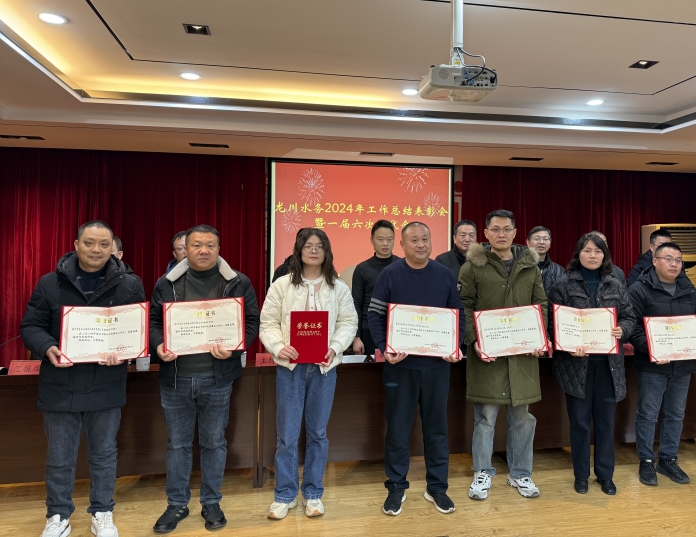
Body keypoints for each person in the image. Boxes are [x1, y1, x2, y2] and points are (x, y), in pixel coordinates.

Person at [21, 220, 146, 537]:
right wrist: (47, 346)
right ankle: (58, 515)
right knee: (59, 457)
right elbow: (31, 326)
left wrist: (125, 352)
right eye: (89, 243)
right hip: (60, 383)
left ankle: (102, 512)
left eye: (104, 244)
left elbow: (137, 330)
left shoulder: (129, 285)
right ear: (76, 245)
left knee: (104, 455)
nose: (96, 250)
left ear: (112, 248)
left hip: (106, 382)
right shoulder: (50, 282)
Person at [149, 224, 260, 533]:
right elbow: (154, 321)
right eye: (197, 245)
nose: (203, 251)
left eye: (210, 245)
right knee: (177, 445)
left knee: (214, 442)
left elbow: (252, 321)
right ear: (185, 249)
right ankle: (176, 504)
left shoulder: (237, 282)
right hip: (176, 378)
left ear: (219, 249)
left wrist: (236, 347)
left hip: (218, 378)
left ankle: (211, 502)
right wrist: (159, 345)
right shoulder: (167, 283)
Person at [259, 228, 357, 520]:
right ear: (299, 250)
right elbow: (268, 322)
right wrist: (279, 346)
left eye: (320, 246)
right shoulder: (282, 285)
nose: (314, 251)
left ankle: (313, 493)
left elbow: (348, 322)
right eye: (308, 246)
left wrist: (335, 347)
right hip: (290, 368)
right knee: (287, 435)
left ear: (327, 252)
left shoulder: (338, 287)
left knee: (317, 433)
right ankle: (285, 495)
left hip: (324, 368)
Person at [368, 222, 464, 516]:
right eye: (414, 240)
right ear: (402, 245)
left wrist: (455, 345)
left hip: (437, 368)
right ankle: (396, 486)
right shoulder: (390, 274)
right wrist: (385, 347)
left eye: (425, 239)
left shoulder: (444, 274)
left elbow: (457, 315)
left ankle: (437, 488)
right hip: (401, 367)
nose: (421, 244)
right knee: (398, 430)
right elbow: (375, 314)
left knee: (437, 430)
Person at [459, 210, 547, 501]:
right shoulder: (472, 266)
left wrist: (540, 337)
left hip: (522, 357)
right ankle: (482, 471)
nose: (501, 234)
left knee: (522, 418)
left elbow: (540, 304)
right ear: (485, 234)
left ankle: (520, 473)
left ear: (515, 233)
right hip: (488, 356)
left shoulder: (530, 266)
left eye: (506, 229)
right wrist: (475, 341)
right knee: (485, 418)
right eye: (495, 229)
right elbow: (464, 306)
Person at [547, 233, 635, 496]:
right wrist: (566, 344)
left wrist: (622, 329)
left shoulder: (616, 284)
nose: (592, 256)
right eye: (587, 250)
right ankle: (581, 476)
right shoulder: (562, 285)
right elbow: (552, 323)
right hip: (576, 367)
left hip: (609, 366)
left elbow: (629, 316)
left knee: (606, 423)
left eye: (598, 251)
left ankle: (605, 476)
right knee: (580, 423)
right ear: (578, 254)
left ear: (604, 255)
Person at [628, 242, 696, 486]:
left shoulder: (690, 289)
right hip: (653, 365)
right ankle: (646, 460)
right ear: (654, 260)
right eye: (668, 259)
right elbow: (633, 328)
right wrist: (651, 348)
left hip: (683, 366)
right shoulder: (639, 289)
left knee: (676, 414)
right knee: (648, 414)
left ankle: (668, 458)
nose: (674, 264)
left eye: (678, 260)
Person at [351, 220, 400, 357]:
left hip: (398, 330)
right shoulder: (362, 269)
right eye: (380, 239)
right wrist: (356, 337)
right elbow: (356, 304)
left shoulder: (402, 266)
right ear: (372, 240)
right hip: (370, 331)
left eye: (389, 239)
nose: (385, 243)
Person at [526, 225, 565, 295]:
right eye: (537, 239)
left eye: (546, 239)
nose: (542, 242)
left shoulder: (559, 271)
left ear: (550, 244)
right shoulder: (519, 266)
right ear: (528, 242)